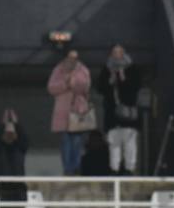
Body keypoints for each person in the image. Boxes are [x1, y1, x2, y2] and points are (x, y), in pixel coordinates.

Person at [49, 50, 92, 175]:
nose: (72, 60)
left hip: (78, 111)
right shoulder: (58, 70)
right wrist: (65, 83)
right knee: (65, 142)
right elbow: (51, 87)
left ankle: (76, 167)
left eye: (75, 57)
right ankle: (67, 169)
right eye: (70, 57)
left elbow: (85, 86)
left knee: (77, 142)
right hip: (63, 112)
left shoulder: (83, 70)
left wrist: (74, 83)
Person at [99, 45, 141, 175]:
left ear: (124, 53)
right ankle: (114, 168)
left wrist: (123, 79)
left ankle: (129, 168)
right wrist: (109, 81)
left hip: (128, 113)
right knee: (114, 144)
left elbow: (135, 87)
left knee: (129, 144)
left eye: (119, 52)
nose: (117, 55)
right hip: (112, 114)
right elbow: (100, 88)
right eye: (114, 52)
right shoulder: (107, 69)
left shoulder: (132, 69)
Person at [0, 112, 29, 208]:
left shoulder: (19, 148)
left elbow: (24, 140)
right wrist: (3, 124)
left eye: (12, 133)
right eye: (7, 133)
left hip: (17, 188)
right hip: (1, 187)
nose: (9, 135)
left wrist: (17, 125)